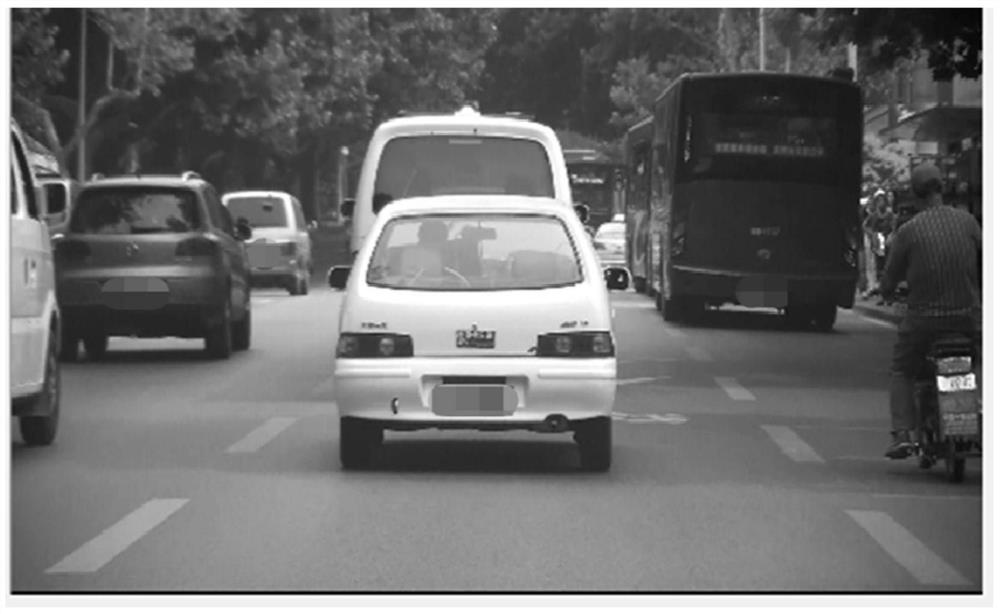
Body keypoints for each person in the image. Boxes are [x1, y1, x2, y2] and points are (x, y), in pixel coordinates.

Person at [879, 163, 982, 459]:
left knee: (901, 369)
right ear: (943, 190)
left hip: (922, 321)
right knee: (976, 362)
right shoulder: (969, 223)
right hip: (967, 318)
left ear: (914, 195)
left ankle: (902, 434)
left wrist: (888, 292)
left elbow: (889, 279)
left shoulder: (908, 231)